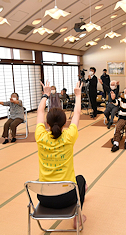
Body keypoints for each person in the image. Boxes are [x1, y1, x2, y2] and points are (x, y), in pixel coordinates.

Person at [35, 80, 87, 228]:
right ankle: (77, 218)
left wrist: (45, 94)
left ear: (47, 124)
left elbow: (39, 111)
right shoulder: (69, 136)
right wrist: (78, 95)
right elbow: (77, 113)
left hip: (44, 196)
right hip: (67, 197)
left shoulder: (40, 136)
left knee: (80, 183)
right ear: (65, 123)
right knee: (81, 180)